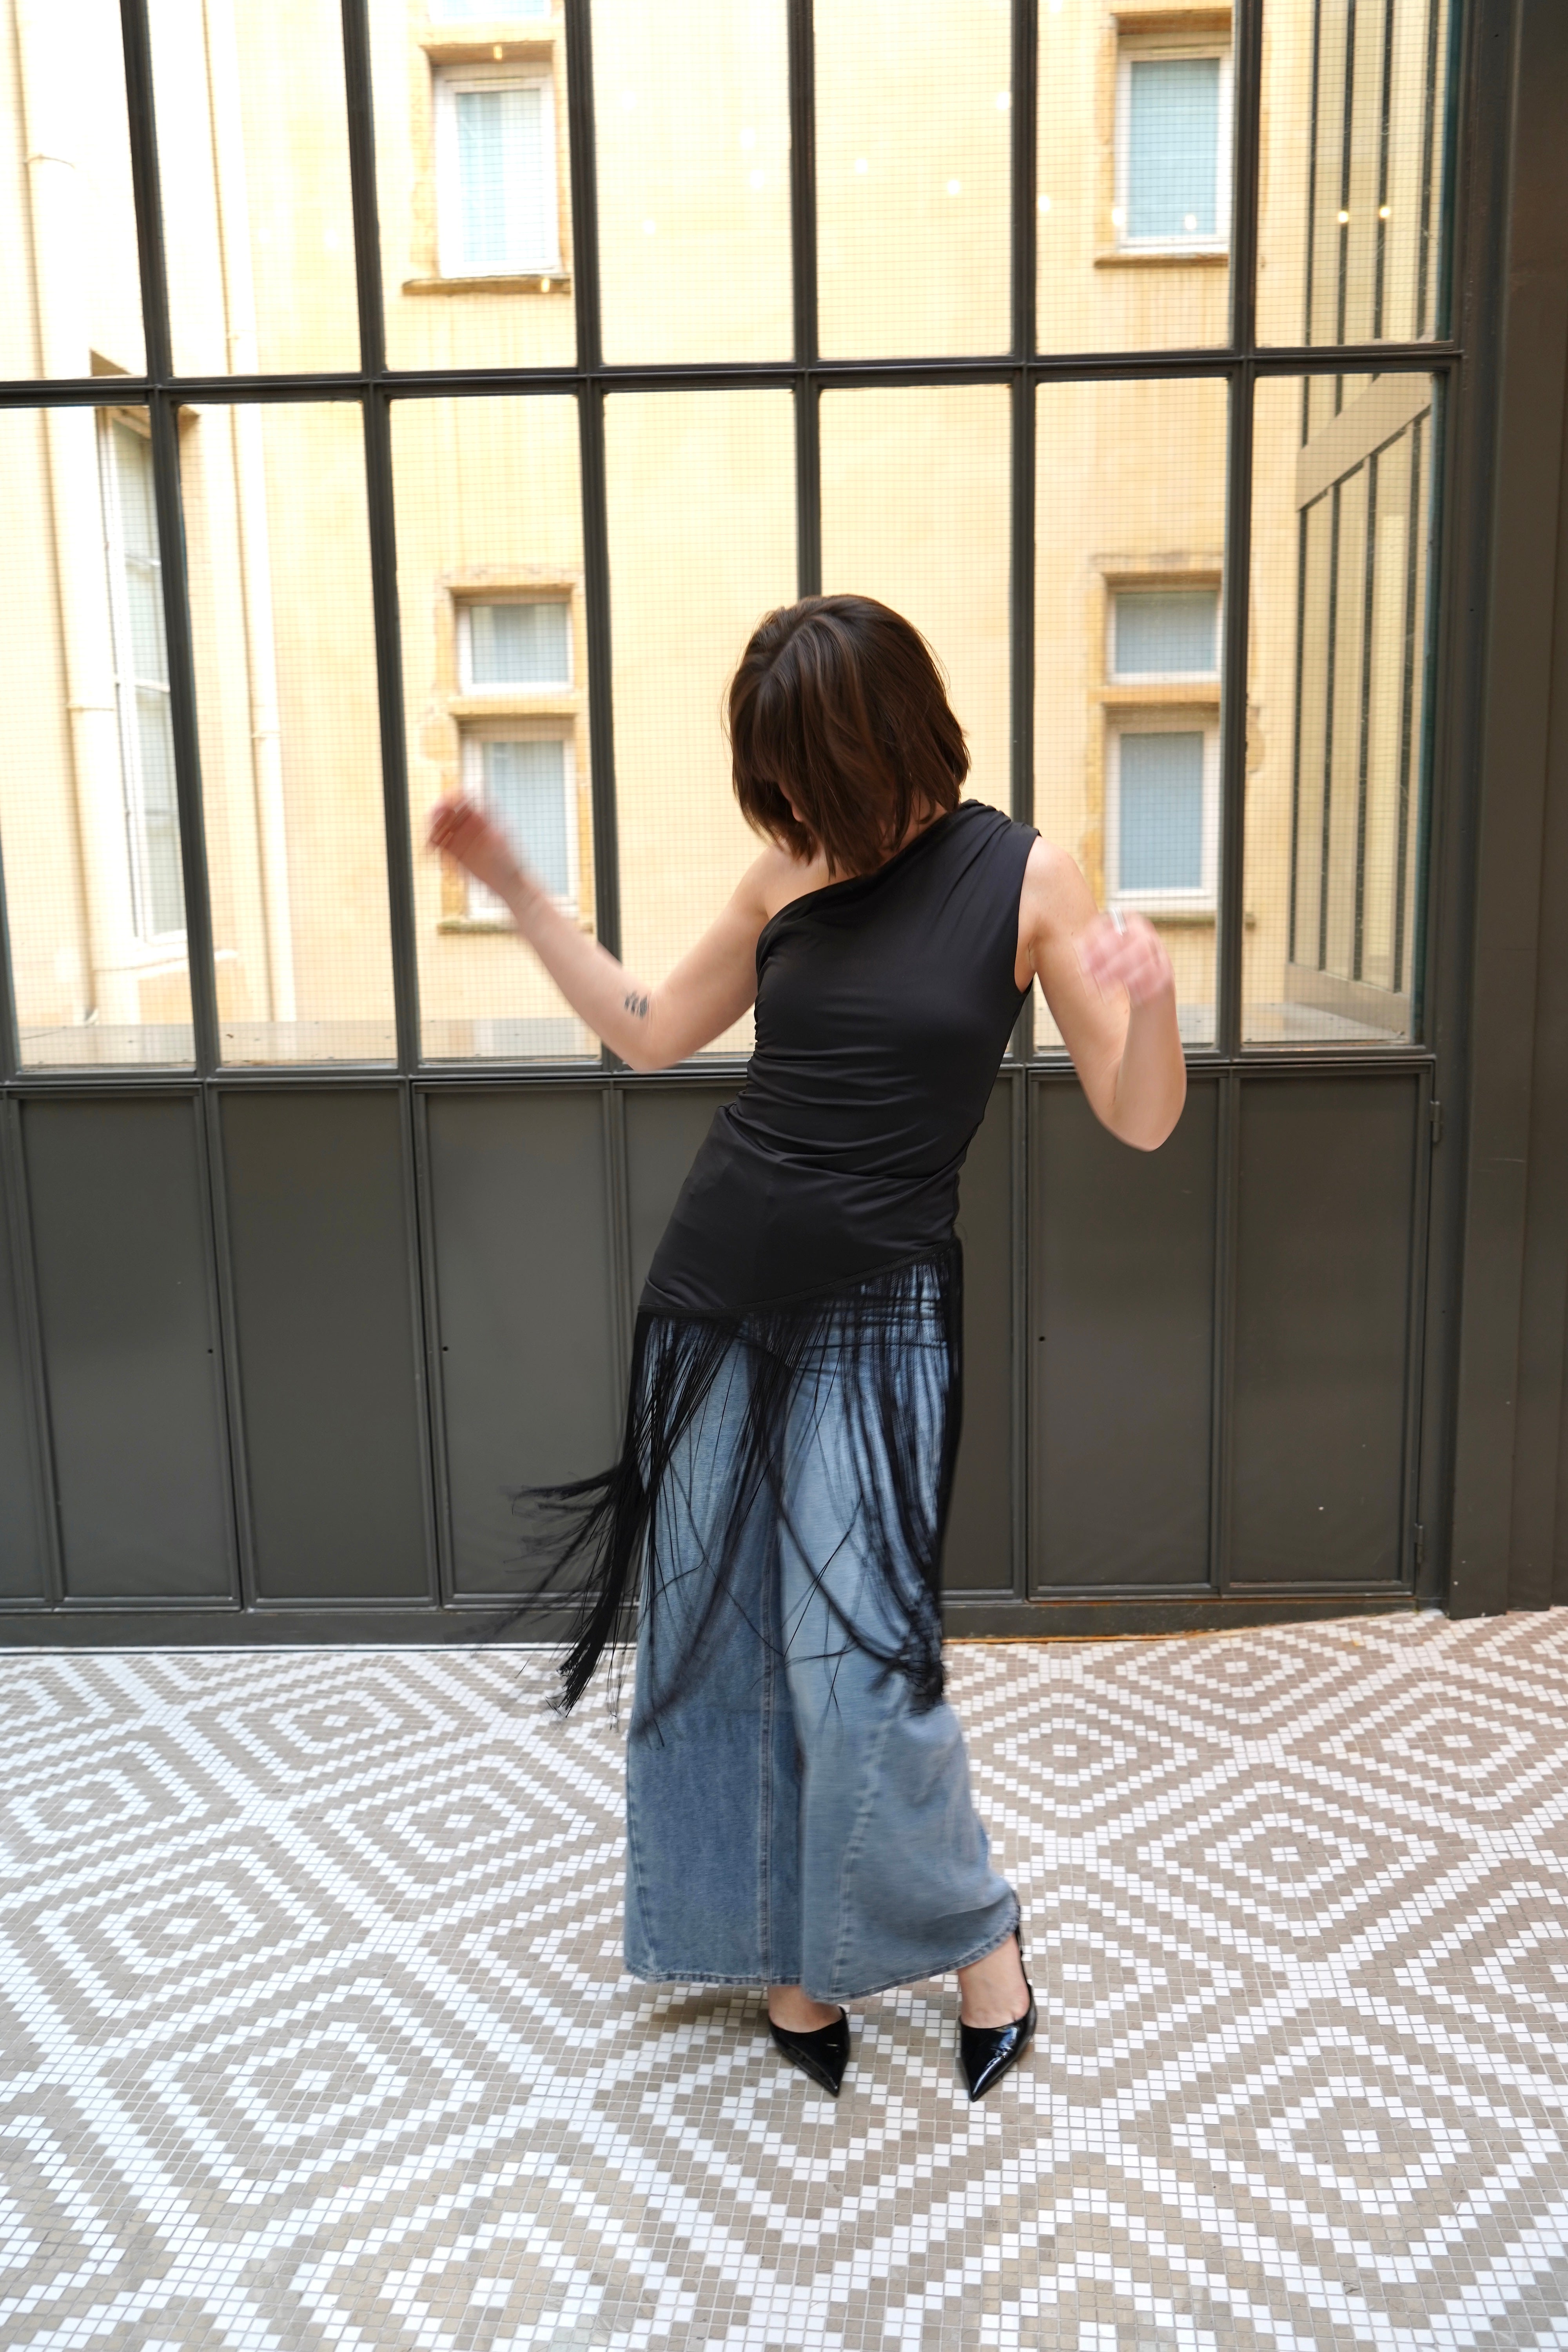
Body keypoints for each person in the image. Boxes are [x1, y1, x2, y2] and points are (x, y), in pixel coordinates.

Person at [427, 594, 1185, 2100]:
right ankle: (787, 1955)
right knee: (719, 1643)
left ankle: (980, 1934)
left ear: (884, 733)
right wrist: (516, 889)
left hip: (882, 1311)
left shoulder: (1025, 877)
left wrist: (1150, 1005)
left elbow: (1140, 1113)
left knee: (857, 1669)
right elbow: (651, 1027)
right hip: (718, 1292)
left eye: (802, 770)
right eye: (770, 777)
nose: (785, 803)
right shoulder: (788, 870)